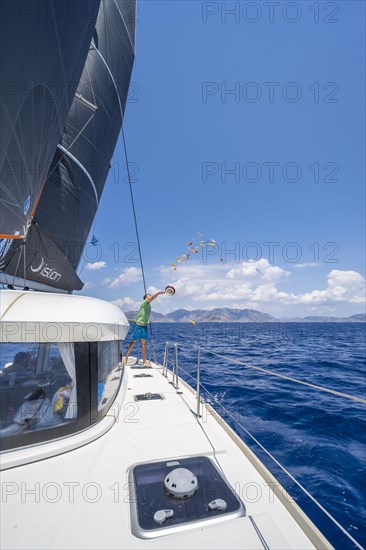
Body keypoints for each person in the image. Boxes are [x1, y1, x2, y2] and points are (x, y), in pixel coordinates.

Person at [124, 291, 165, 366]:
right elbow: (152, 298)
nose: (150, 297)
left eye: (150, 296)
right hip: (138, 326)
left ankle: (144, 360)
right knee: (132, 343)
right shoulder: (144, 302)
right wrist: (158, 293)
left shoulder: (148, 305)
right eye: (149, 296)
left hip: (145, 327)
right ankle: (126, 358)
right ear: (146, 298)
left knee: (144, 344)